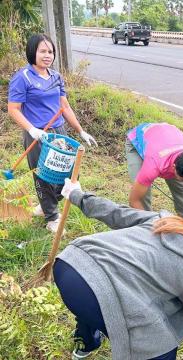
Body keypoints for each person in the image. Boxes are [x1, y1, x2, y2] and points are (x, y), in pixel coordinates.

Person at [55, 179, 183, 360]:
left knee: (104, 280)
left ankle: (86, 342)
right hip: (92, 291)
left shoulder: (169, 222)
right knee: (161, 343)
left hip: (72, 261)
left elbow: (116, 213)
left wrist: (78, 195)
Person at [7, 33, 97, 234]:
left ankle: (46, 203)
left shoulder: (56, 77)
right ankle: (51, 216)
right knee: (43, 175)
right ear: (33, 52)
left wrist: (81, 131)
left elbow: (64, 106)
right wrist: (31, 129)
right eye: (43, 51)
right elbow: (13, 109)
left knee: (66, 172)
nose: (48, 55)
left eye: (51, 51)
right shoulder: (22, 78)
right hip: (38, 134)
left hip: (58, 132)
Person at [125, 122, 183, 224]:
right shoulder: (153, 164)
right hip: (138, 140)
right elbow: (134, 200)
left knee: (180, 189)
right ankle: (145, 226)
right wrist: (151, 224)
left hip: (165, 138)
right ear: (174, 168)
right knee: (143, 195)